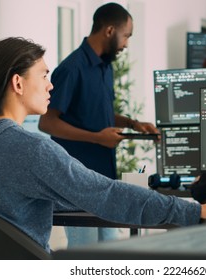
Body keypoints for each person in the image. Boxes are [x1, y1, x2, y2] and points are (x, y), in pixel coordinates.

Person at [0, 37, 206, 253]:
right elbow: (105, 194)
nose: (51, 85)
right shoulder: (30, 149)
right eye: (44, 75)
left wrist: (72, 187)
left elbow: (4, 195)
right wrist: (195, 211)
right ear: (18, 83)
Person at [38, 3, 158, 246]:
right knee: (85, 258)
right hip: (77, 186)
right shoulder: (71, 69)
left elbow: (98, 113)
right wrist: (97, 138)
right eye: (126, 36)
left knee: (112, 253)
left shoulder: (105, 67)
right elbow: (47, 122)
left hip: (105, 182)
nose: (126, 44)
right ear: (110, 31)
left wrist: (134, 124)